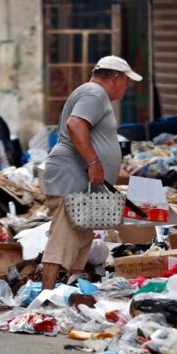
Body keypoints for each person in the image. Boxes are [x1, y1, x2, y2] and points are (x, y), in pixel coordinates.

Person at [41, 56, 142, 291]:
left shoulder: (93, 94)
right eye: (126, 82)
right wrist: (94, 162)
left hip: (82, 179)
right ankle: (45, 294)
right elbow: (75, 125)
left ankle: (72, 288)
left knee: (82, 235)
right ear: (115, 78)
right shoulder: (94, 94)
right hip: (72, 176)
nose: (126, 89)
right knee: (64, 235)